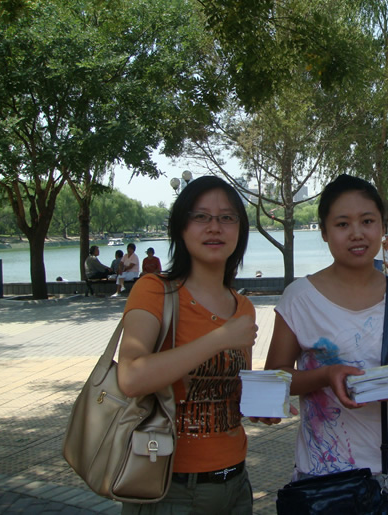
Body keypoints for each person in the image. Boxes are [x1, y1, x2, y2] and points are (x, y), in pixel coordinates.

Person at [264, 174, 388, 515]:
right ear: (324, 232)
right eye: (342, 224)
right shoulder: (299, 297)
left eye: (367, 221)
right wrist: (325, 375)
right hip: (321, 471)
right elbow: (274, 377)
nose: (357, 233)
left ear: (382, 227)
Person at [116, 176, 259, 514]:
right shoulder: (155, 291)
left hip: (236, 484)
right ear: (181, 227)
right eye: (201, 216)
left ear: (240, 230)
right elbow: (131, 378)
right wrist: (220, 338)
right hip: (170, 487)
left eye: (227, 217)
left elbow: (230, 392)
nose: (215, 227)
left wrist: (260, 405)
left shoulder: (243, 307)